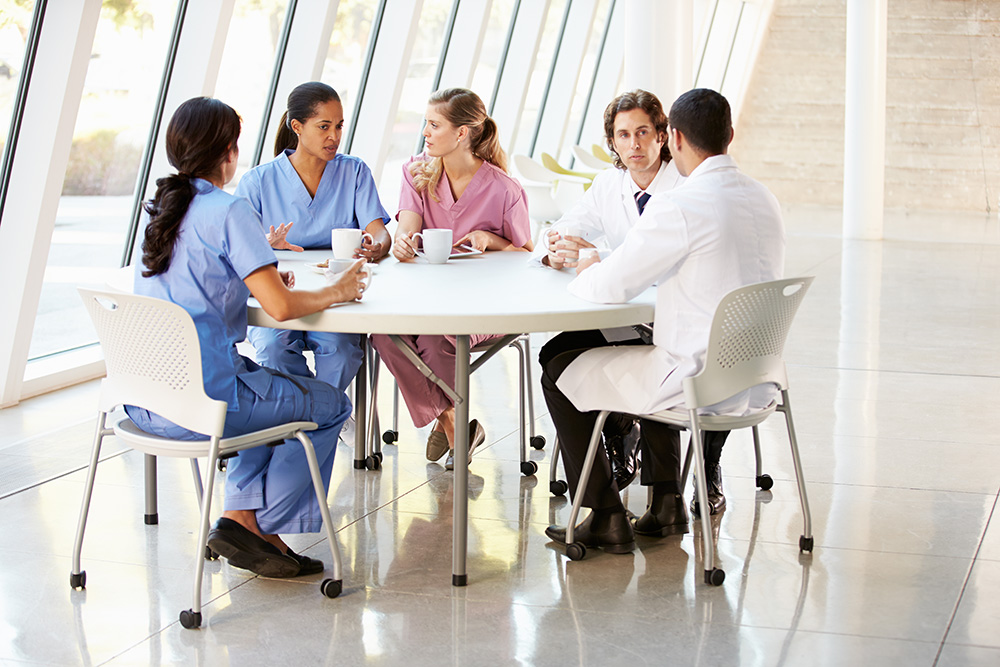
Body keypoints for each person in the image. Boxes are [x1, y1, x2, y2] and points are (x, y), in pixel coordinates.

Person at [126, 96, 370, 578]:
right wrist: (337, 290)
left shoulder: (160, 210)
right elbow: (278, 307)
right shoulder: (227, 209)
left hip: (147, 402)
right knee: (329, 406)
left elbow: (197, 278)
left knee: (272, 389)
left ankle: (242, 518)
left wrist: (261, 269)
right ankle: (257, 523)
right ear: (229, 151)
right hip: (208, 403)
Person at [542, 88, 785, 553]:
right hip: (759, 378)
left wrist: (588, 265)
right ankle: (668, 503)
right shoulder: (764, 198)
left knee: (556, 368)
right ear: (730, 135)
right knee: (647, 347)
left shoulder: (681, 204)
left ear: (671, 138)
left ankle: (606, 515)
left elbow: (610, 286)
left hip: (698, 382)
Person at [372, 88, 533, 470]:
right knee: (381, 332)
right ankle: (456, 425)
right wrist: (403, 242)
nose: (425, 132)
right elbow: (408, 224)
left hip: (487, 309)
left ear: (462, 133)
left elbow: (527, 254)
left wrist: (491, 240)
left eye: (434, 124)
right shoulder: (416, 172)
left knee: (436, 336)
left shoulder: (505, 189)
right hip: (427, 303)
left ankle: (451, 426)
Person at [235, 82, 391, 435]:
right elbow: (240, 248)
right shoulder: (257, 182)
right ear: (297, 127)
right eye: (324, 127)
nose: (334, 136)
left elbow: (379, 230)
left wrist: (377, 246)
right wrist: (266, 243)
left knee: (342, 350)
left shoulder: (354, 172)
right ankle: (320, 417)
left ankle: (314, 421)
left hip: (338, 296)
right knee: (274, 348)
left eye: (338, 126)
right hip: (281, 292)